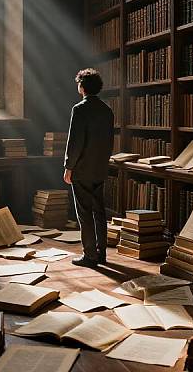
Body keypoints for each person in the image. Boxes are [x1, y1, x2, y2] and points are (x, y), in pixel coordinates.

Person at [64, 68, 114, 268]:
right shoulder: (107, 110)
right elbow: (109, 142)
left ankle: (90, 255)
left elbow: (75, 142)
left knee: (84, 213)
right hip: (100, 168)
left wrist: (69, 166)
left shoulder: (80, 109)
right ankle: (102, 254)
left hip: (82, 169)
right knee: (99, 211)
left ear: (81, 87)